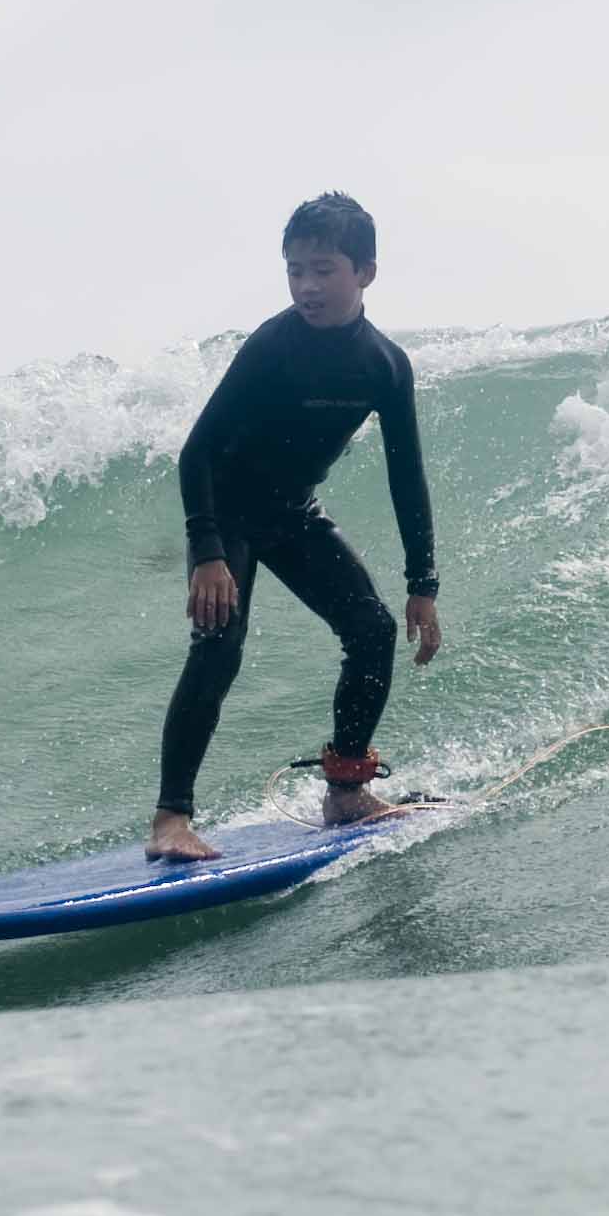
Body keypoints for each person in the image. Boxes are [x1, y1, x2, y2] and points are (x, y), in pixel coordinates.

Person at [148, 193, 444, 862]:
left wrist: (422, 582)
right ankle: (170, 818)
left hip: (291, 512)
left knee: (370, 629)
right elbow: (197, 451)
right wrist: (206, 550)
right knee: (218, 647)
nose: (305, 286)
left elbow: (407, 476)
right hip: (228, 515)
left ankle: (345, 788)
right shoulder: (272, 345)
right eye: (293, 270)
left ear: (365, 271)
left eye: (322, 269)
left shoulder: (384, 365)